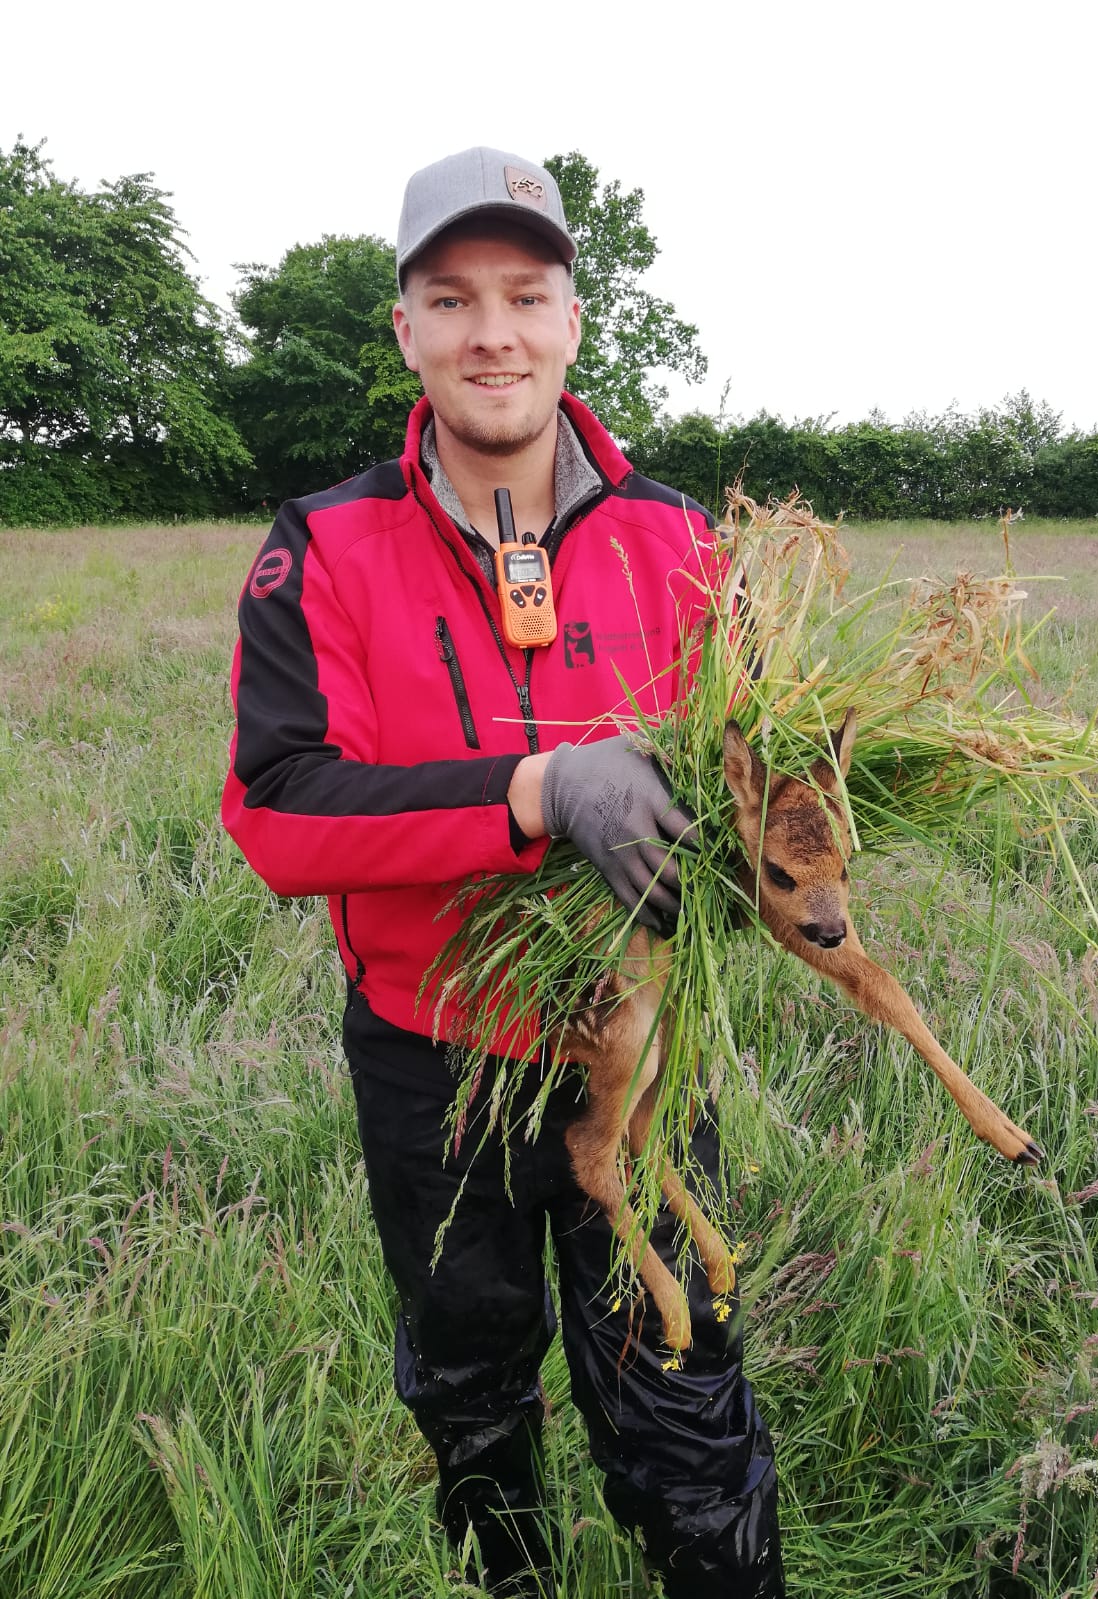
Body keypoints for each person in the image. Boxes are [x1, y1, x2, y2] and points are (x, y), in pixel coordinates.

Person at [222, 146, 784, 1598]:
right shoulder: (322, 549)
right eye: (453, 299)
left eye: (526, 296)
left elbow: (767, 775)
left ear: (574, 321)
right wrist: (535, 791)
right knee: (471, 1379)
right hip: (433, 1060)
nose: (493, 334)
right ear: (405, 328)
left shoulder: (682, 542)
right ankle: (510, 1574)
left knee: (683, 1381)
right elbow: (280, 811)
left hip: (639, 1051)